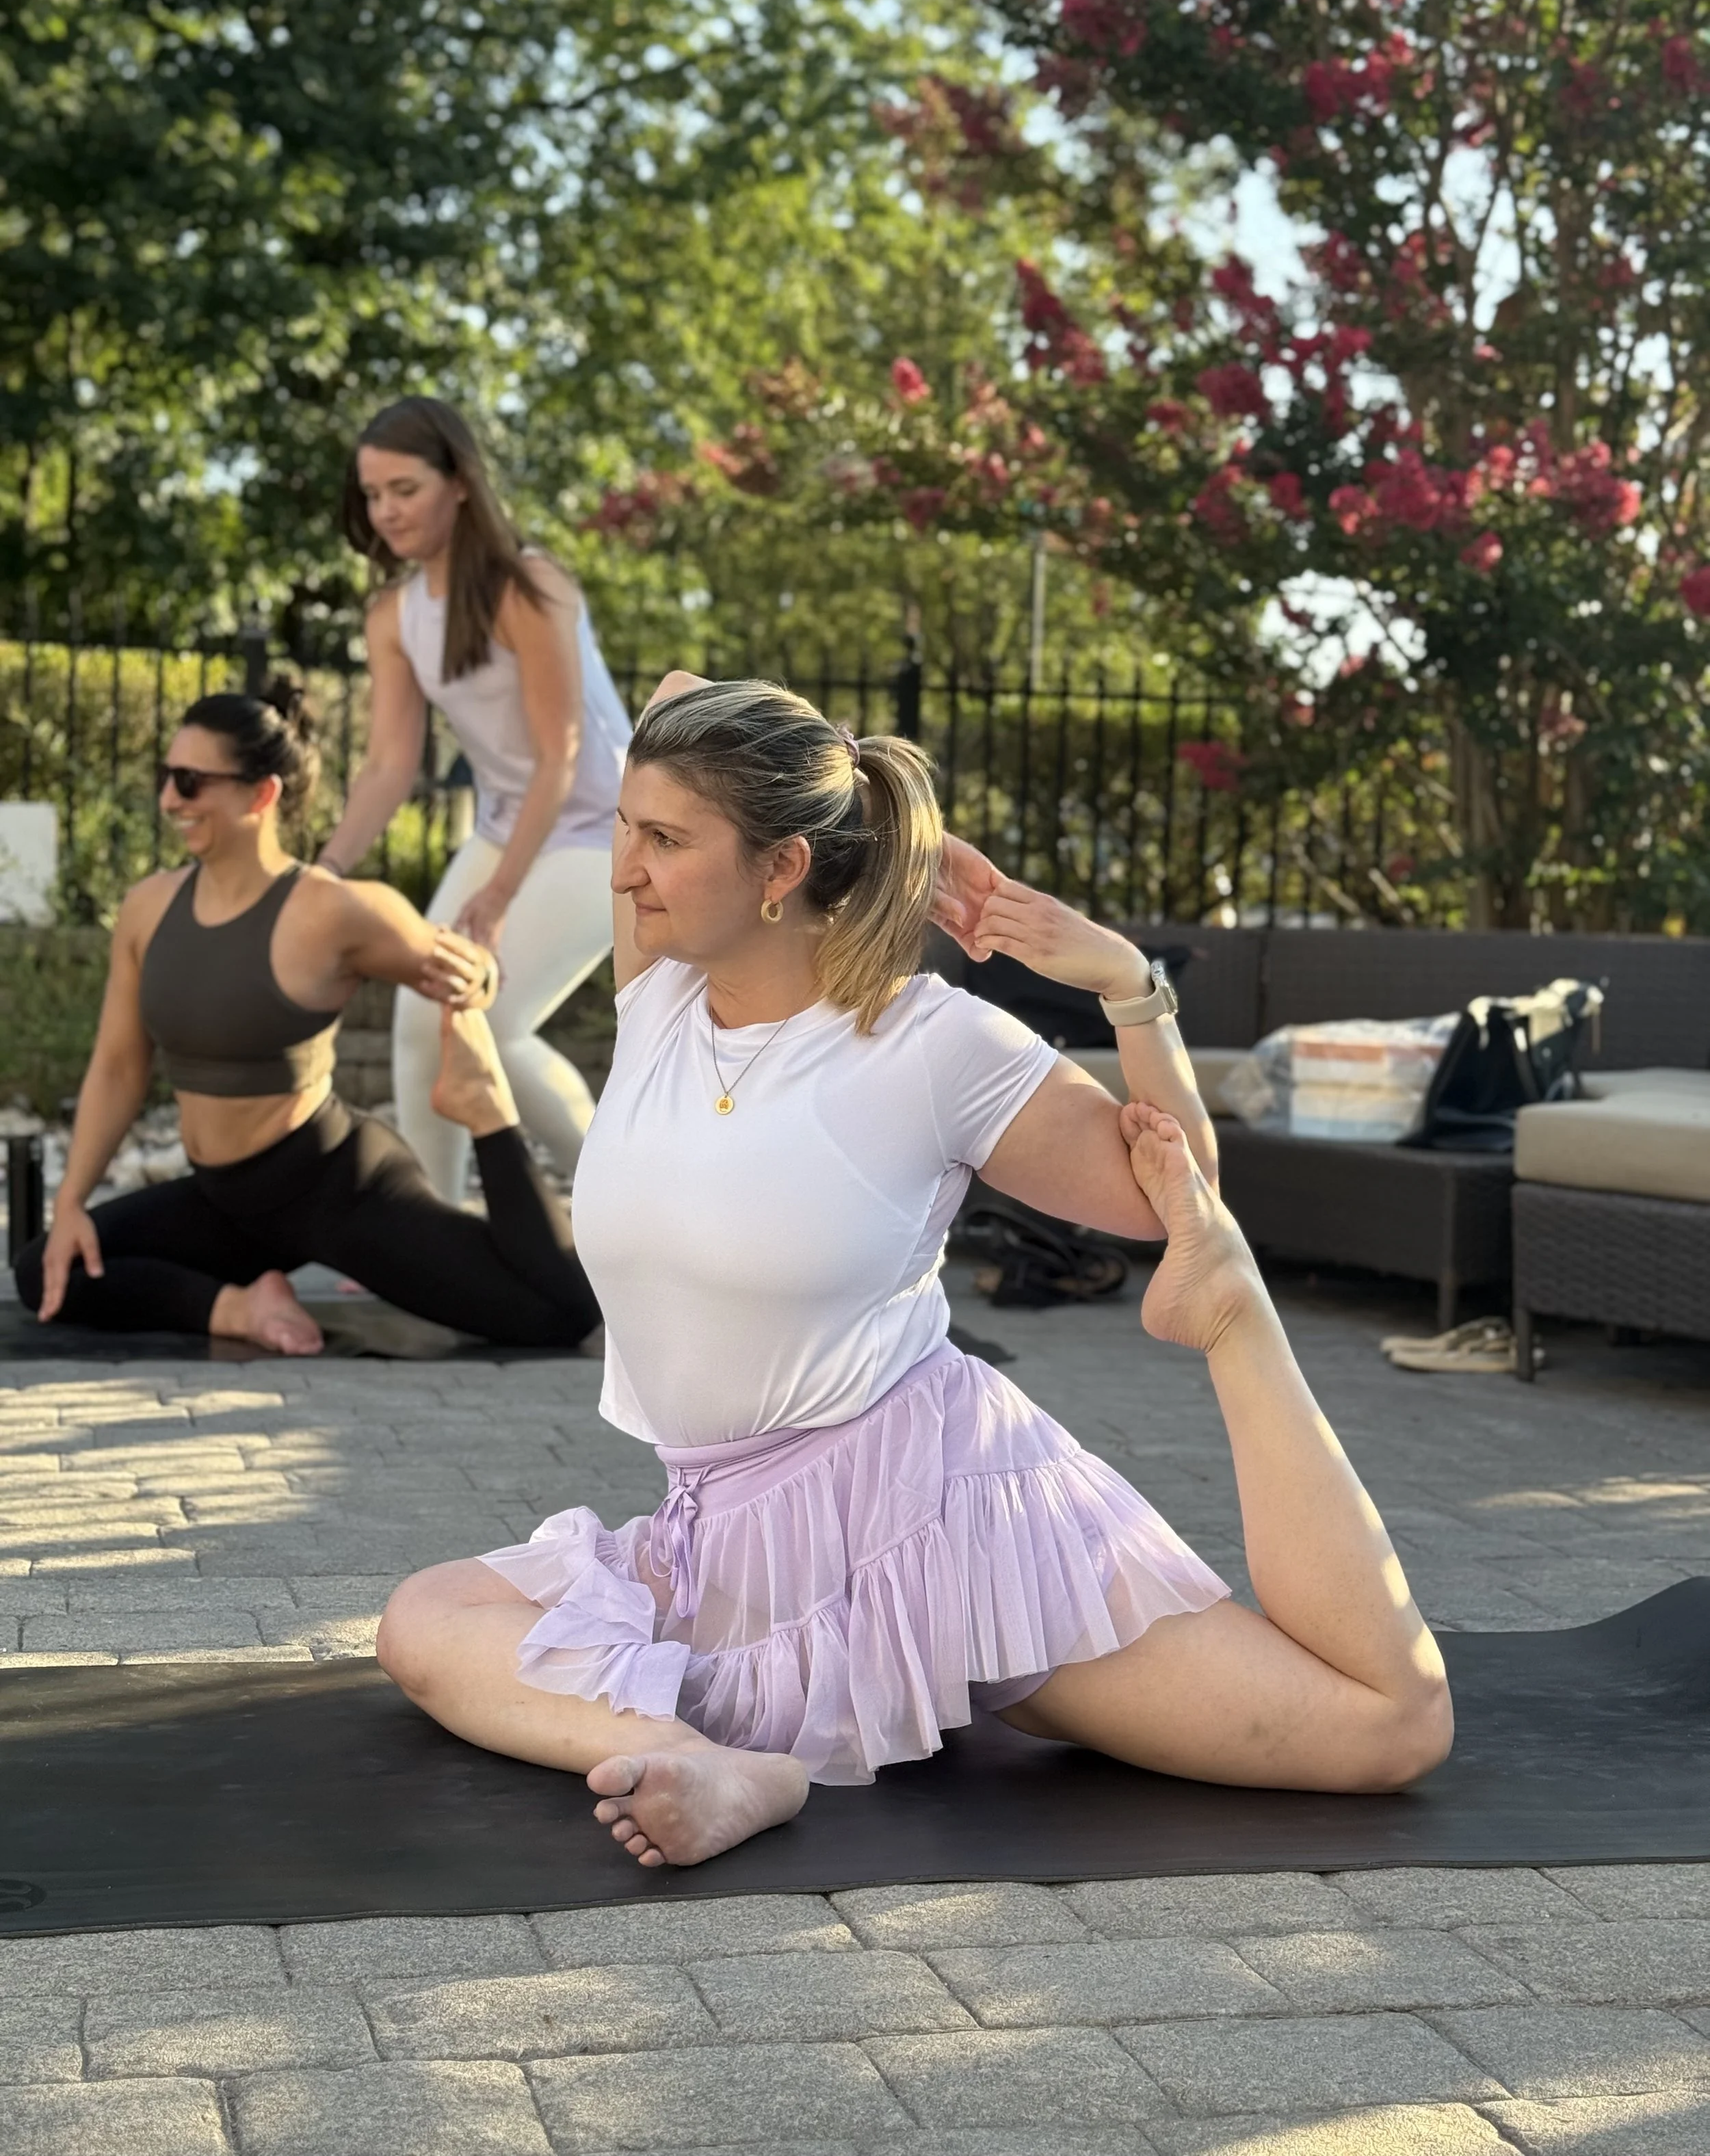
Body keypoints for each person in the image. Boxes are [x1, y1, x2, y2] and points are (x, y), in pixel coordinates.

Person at [376, 679, 1451, 1867]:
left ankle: (1242, 1337)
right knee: (425, 1620)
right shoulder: (658, 995)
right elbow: (680, 695)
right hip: (720, 1539)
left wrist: (1127, 983)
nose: (624, 870)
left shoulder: (930, 1041)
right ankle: (719, 1759)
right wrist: (866, 796)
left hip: (944, 1530)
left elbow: (1182, 1197)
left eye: (665, 839)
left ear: (782, 868)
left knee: (1383, 1731)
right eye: (627, 828)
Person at [16, 683, 600, 1356]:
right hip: (222, 1204)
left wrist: (482, 976)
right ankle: (240, 1308)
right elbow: (119, 1066)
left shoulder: (333, 912)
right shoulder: (147, 910)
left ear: (261, 795)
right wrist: (69, 1206)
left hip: (335, 1189)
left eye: (189, 782)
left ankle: (488, 1115)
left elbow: (465, 966)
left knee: (553, 1316)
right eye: (165, 778)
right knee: (45, 1272)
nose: (169, 800)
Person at [320, 397, 631, 1202]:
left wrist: (495, 898)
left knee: (489, 1020)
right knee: (422, 1022)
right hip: (507, 823)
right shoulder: (393, 615)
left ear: (459, 482)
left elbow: (560, 754)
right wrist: (324, 871)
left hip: (605, 833)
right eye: (373, 495)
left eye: (404, 489)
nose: (385, 512)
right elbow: (389, 764)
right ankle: (440, 1233)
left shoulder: (533, 586)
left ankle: (626, 1211)